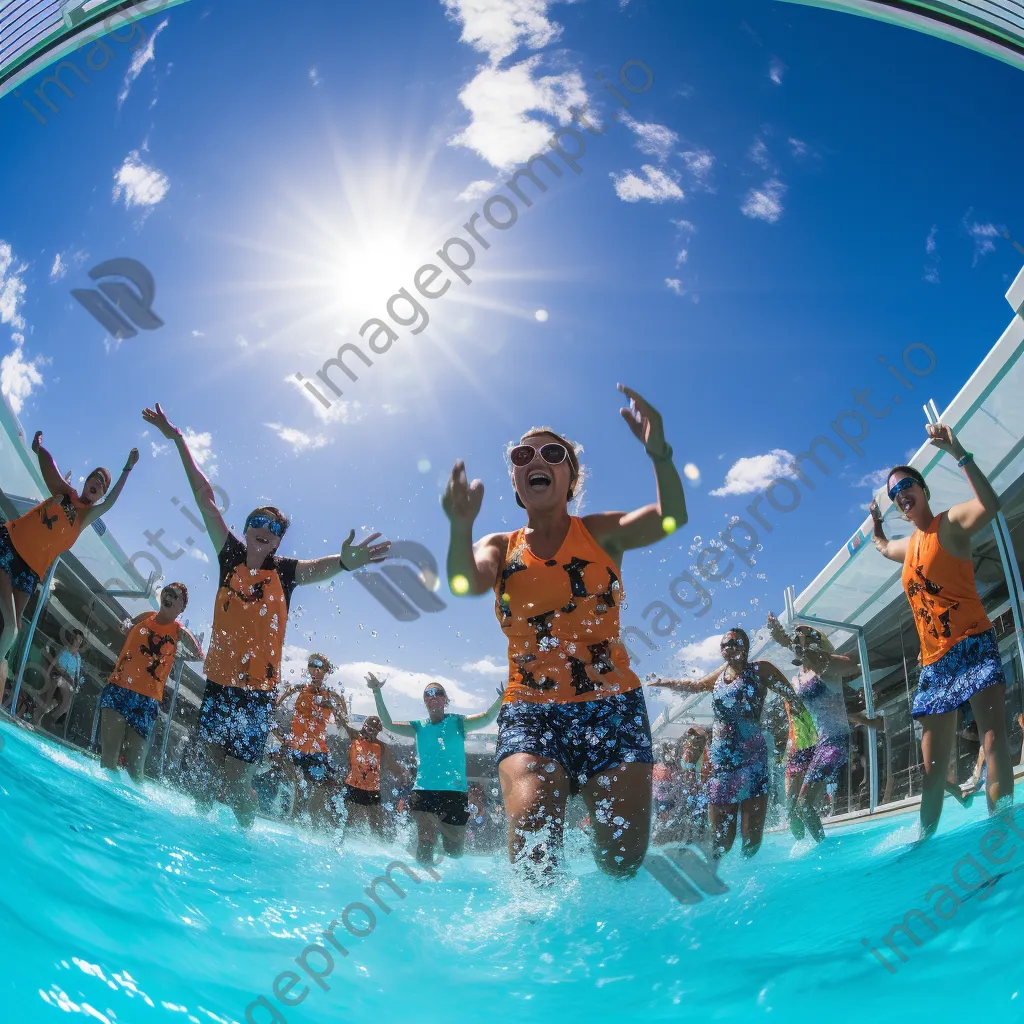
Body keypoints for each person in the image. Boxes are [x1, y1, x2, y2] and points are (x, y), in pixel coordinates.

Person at [443, 384, 687, 879]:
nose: (537, 459)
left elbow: (671, 519)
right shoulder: (500, 543)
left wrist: (660, 455)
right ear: (516, 480)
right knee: (533, 839)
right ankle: (534, 942)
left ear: (570, 478)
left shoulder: (601, 534)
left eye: (553, 453)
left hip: (612, 706)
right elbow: (467, 582)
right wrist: (458, 527)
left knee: (621, 861)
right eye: (523, 454)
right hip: (532, 710)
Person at [142, 402, 391, 828]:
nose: (264, 527)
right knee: (206, 775)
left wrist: (348, 562)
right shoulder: (229, 556)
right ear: (246, 527)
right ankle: (200, 843)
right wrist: (178, 439)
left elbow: (321, 569)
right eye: (257, 520)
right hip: (219, 686)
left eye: (273, 526)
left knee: (237, 780)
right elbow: (204, 498)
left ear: (277, 541)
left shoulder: (286, 573)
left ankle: (243, 839)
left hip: (256, 695)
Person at [869, 424, 1014, 839]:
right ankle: (923, 848)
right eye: (895, 494)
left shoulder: (948, 523)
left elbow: (991, 504)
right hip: (934, 665)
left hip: (972, 645)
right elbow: (882, 548)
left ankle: (1001, 834)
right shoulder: (908, 546)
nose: (901, 495)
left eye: (906, 485)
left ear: (923, 489)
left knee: (993, 742)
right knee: (933, 772)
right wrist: (877, 525)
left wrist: (958, 451)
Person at [0, 431, 138, 694]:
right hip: (9, 547)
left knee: (11, 632)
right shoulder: (65, 492)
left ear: (100, 495)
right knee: (9, 626)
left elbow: (111, 502)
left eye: (102, 483)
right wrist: (39, 448)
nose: (97, 483)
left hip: (29, 572)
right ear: (86, 483)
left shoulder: (86, 516)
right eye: (95, 478)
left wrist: (127, 468)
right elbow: (50, 468)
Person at [650, 628, 805, 859]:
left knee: (751, 834)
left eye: (734, 642)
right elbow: (695, 686)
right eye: (724, 645)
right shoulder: (720, 676)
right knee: (721, 839)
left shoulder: (760, 669)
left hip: (752, 760)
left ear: (745, 646)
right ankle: (723, 879)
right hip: (722, 763)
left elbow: (790, 695)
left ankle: (752, 876)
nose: (729, 647)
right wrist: (665, 683)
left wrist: (800, 726)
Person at [367, 672, 504, 866]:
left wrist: (501, 698)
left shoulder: (458, 722)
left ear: (445, 699)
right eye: (428, 693)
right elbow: (388, 724)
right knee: (425, 839)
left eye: (437, 692)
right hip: (424, 791)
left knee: (454, 852)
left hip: (455, 793)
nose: (432, 695)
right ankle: (423, 886)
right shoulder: (418, 727)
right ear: (424, 701)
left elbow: (487, 718)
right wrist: (376, 692)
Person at [767, 615, 883, 841]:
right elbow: (825, 715)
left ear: (817, 644)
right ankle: (802, 847)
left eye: (806, 638)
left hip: (836, 743)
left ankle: (824, 850)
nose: (801, 642)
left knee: (804, 805)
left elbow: (848, 663)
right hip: (815, 744)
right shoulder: (799, 679)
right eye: (798, 638)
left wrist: (785, 642)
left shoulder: (828, 667)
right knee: (795, 810)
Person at [99, 583, 200, 781]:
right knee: (108, 759)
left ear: (181, 607)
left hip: (146, 701)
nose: (168, 596)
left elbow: (196, 654)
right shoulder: (146, 617)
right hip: (118, 689)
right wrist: (125, 624)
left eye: (175, 596)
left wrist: (183, 641)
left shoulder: (178, 632)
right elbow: (126, 627)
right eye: (167, 592)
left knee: (135, 769)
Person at [274, 653, 348, 827]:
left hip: (317, 751)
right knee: (299, 788)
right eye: (311, 664)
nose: (315, 669)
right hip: (295, 748)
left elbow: (343, 724)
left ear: (326, 671)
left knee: (324, 790)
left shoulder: (333, 696)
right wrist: (280, 736)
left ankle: (314, 827)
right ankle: (294, 824)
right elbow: (275, 706)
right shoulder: (298, 689)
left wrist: (334, 710)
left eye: (319, 666)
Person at [340, 715, 409, 838]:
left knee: (376, 824)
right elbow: (343, 723)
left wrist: (402, 776)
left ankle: (380, 844)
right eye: (369, 729)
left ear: (378, 732)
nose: (370, 733)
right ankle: (341, 841)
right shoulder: (355, 737)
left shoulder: (381, 747)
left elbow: (393, 767)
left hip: (373, 790)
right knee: (348, 820)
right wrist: (338, 714)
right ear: (364, 727)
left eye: (374, 731)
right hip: (353, 786)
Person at [781, 698, 817, 841]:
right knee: (791, 807)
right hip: (793, 756)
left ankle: (815, 839)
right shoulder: (789, 700)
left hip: (808, 753)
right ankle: (800, 842)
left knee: (802, 804)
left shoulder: (808, 699)